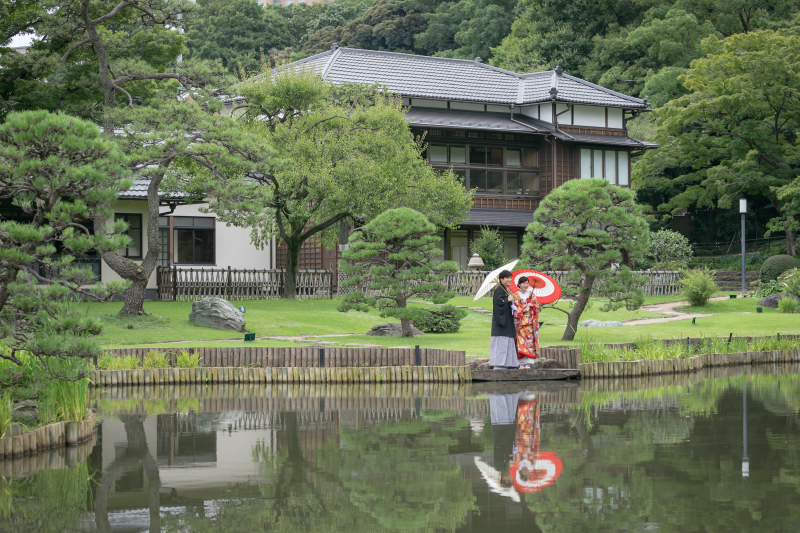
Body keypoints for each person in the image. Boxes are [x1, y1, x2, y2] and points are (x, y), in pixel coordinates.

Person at [489, 270, 518, 369]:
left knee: (509, 343)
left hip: (507, 322)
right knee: (500, 344)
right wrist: (507, 300)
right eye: (507, 277)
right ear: (501, 279)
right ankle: (499, 364)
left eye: (510, 277)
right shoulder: (499, 290)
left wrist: (511, 303)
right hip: (501, 323)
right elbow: (498, 304)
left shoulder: (505, 289)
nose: (510, 279)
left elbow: (506, 303)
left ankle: (508, 363)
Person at [511, 277, 541, 368]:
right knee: (520, 342)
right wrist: (524, 309)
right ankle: (520, 363)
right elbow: (514, 308)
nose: (525, 285)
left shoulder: (532, 295)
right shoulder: (515, 295)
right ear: (519, 284)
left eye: (527, 283)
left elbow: (538, 306)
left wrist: (532, 305)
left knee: (529, 342)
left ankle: (528, 363)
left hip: (530, 323)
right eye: (523, 283)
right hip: (520, 323)